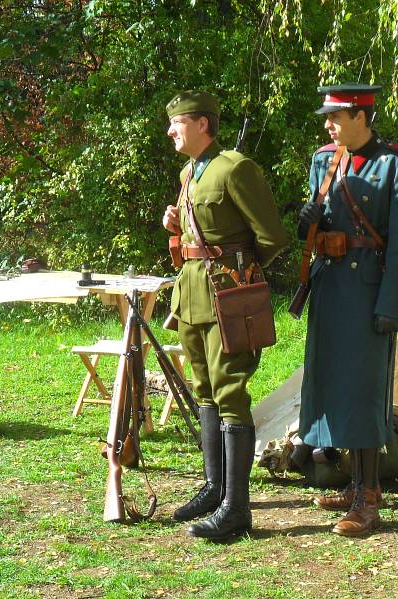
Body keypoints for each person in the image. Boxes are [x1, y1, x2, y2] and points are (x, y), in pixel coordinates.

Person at [297, 84, 398, 537]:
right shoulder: (323, 160)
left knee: (365, 392)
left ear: (360, 115)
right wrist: (306, 220)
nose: (328, 125)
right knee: (333, 387)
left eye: (335, 117)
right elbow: (317, 230)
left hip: (369, 292)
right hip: (330, 289)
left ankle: (367, 500)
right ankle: (352, 484)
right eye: (327, 118)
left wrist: (393, 304)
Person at [162, 90, 288, 539]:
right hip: (192, 292)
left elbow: (271, 235)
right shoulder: (189, 172)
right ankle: (215, 489)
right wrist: (174, 225)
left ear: (201, 125)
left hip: (228, 294)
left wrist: (243, 273)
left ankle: (237, 510)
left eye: (178, 123)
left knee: (230, 390)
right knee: (205, 391)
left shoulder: (235, 168)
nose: (171, 131)